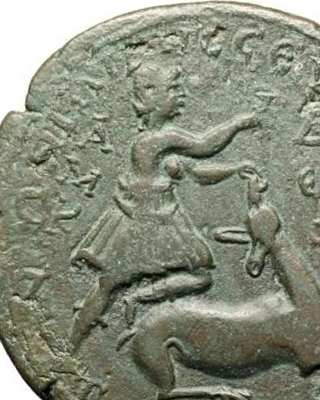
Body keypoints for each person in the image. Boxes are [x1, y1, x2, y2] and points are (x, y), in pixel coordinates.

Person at [69, 58, 260, 351]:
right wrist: (237, 123)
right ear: (150, 97)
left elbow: (198, 173)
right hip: (151, 222)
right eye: (172, 89)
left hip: (157, 217)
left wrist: (234, 169)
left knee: (112, 283)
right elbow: (203, 146)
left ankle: (80, 336)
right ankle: (99, 324)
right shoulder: (157, 140)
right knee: (120, 283)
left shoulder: (161, 145)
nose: (180, 95)